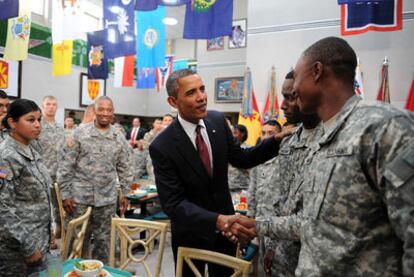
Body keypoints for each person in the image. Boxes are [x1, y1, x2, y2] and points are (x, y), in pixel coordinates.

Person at [233, 37, 414, 276]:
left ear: (317, 71)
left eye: (296, 78)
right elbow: (311, 223)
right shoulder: (323, 138)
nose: (293, 91)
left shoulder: (384, 127)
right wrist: (258, 225)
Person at [149, 69, 288, 276]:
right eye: (191, 93)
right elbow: (173, 204)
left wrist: (276, 141)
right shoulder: (162, 145)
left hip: (227, 235)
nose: (201, 97)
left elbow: (242, 158)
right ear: (173, 101)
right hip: (191, 236)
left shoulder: (216, 122)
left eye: (202, 89)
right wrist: (217, 220)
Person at [249, 71, 321, 277]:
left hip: (314, 257)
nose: (282, 105)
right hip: (284, 256)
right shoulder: (288, 142)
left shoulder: (332, 140)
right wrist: (272, 247)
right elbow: (279, 202)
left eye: (291, 96)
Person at [57, 96, 133, 263]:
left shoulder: (118, 137)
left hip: (106, 200)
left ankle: (100, 272)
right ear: (95, 111)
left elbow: (125, 167)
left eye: (109, 110)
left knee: (103, 242)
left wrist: (125, 194)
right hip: (79, 199)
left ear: (113, 113)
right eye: (101, 109)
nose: (105, 113)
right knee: (76, 240)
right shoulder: (79, 133)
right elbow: (66, 165)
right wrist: (65, 194)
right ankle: (72, 271)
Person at [0, 99, 52, 276]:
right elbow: (3, 208)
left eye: (39, 120)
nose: (37, 125)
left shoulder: (30, 148)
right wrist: (29, 247)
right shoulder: (6, 156)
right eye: (30, 120)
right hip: (18, 250)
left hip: (39, 239)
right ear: (12, 122)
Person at [37, 95, 65, 247]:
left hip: (60, 173)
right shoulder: (37, 126)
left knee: (58, 204)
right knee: (45, 206)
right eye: (48, 104)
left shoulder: (60, 128)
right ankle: (49, 236)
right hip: (44, 172)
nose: (51, 107)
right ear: (43, 106)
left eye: (54, 104)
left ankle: (60, 228)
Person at [228, 124, 250, 194]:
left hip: (242, 189)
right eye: (231, 133)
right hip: (228, 188)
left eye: (235, 133)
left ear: (243, 134)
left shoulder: (248, 150)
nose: (232, 136)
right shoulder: (227, 149)